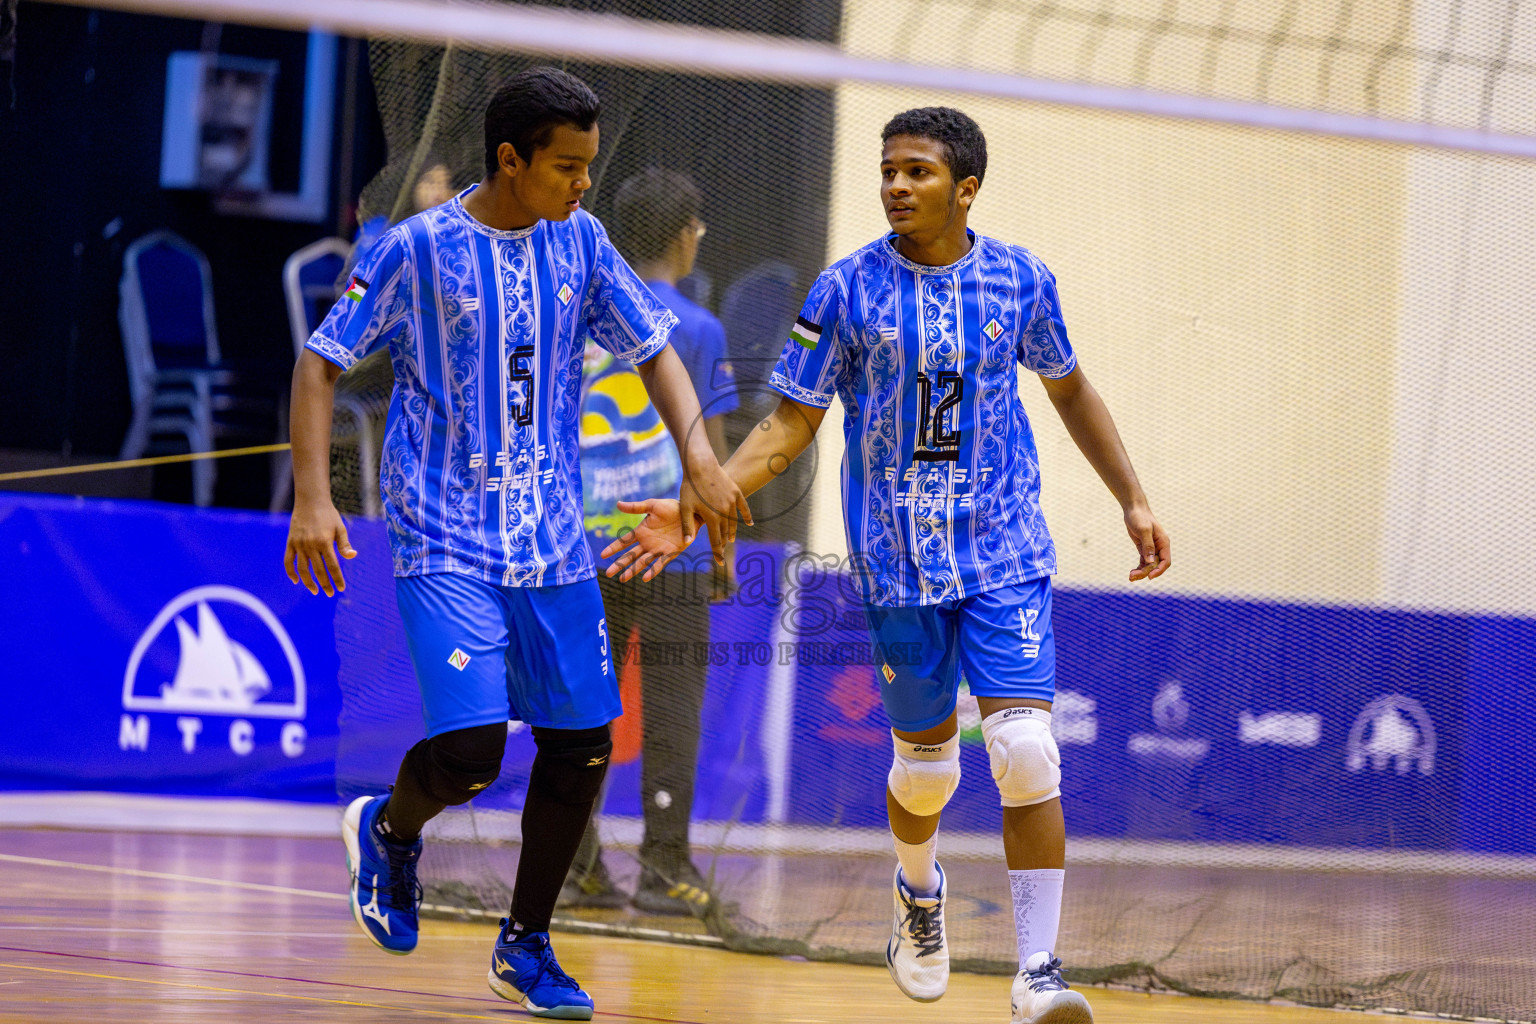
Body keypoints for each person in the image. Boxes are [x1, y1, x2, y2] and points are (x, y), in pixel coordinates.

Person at [601, 107, 1171, 1024]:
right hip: (899, 567)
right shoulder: (845, 290)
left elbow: (1070, 390)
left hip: (1005, 552)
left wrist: (1132, 498)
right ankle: (917, 891)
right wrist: (698, 497)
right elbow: (789, 422)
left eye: (917, 172)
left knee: (1026, 753)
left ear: (966, 188)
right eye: (888, 170)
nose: (896, 186)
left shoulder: (1021, 280)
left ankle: (1037, 973)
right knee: (930, 774)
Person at [282, 67, 749, 1021]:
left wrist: (699, 458)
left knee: (581, 745)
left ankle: (526, 945)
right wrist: (312, 502)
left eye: (589, 164)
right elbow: (319, 362)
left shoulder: (582, 240)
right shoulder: (416, 250)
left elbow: (656, 346)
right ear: (510, 159)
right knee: (469, 750)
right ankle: (390, 830)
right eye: (567, 166)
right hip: (445, 537)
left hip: (553, 543)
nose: (585, 183)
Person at [560, 169, 737, 917]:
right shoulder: (697, 328)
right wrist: (722, 552)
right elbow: (714, 453)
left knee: (580, 707)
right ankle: (665, 866)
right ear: (682, 235)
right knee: (670, 708)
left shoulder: (580, 319)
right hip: (673, 551)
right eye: (698, 227)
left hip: (587, 547)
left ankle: (576, 867)